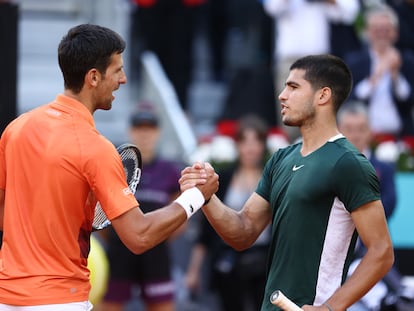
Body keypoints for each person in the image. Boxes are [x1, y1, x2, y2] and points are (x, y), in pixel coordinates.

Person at [0, 24, 218, 310]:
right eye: (117, 71)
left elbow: (5, 214)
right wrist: (195, 197)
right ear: (93, 77)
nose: (123, 79)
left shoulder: (16, 129)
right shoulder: (96, 148)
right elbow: (139, 236)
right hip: (59, 300)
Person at [179, 54, 395, 311]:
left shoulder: (348, 163)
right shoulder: (281, 158)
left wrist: (329, 308)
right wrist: (207, 197)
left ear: (322, 96)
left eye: (293, 87)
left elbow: (381, 252)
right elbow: (243, 232)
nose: (282, 95)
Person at [97, 103, 185, 311]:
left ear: (158, 132)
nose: (145, 134)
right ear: (131, 131)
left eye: (150, 128)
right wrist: (123, 236)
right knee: (108, 304)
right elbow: (101, 211)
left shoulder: (170, 171)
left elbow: (180, 215)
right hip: (119, 252)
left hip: (156, 253)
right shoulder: (117, 167)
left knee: (162, 305)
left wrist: (155, 235)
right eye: (139, 128)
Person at [186, 114, 271, 311]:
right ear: (237, 145)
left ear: (263, 145)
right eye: (245, 141)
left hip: (265, 259)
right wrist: (193, 270)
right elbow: (206, 230)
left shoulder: (273, 177)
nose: (250, 148)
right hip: (228, 259)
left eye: (256, 141)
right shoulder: (222, 179)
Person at [262, 0, 360, 142]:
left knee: (321, 111)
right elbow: (272, 7)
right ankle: (291, 158)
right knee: (289, 113)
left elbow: (349, 12)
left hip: (319, 59)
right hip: (289, 59)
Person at [344, 4, 414, 141]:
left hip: (400, 135)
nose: (382, 34)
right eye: (377, 30)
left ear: (395, 33)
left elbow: (409, 100)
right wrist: (376, 76)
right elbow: (350, 99)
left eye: (386, 29)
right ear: (367, 32)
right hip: (364, 136)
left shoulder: (406, 60)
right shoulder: (355, 61)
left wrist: (396, 76)